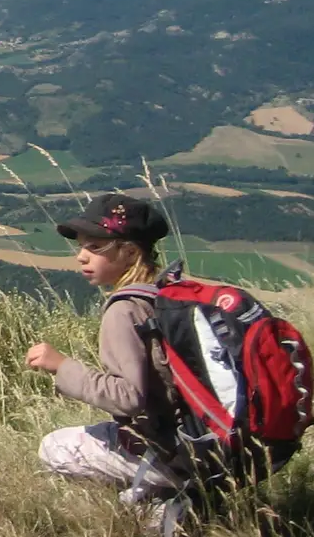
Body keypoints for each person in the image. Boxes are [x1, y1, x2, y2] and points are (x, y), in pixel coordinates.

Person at [25, 193, 185, 513]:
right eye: (82, 246)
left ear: (128, 252)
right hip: (203, 444)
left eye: (95, 247)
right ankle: (160, 499)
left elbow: (129, 397)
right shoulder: (167, 293)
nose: (81, 257)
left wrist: (63, 367)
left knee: (55, 447)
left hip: (169, 452)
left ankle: (148, 499)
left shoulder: (124, 311)